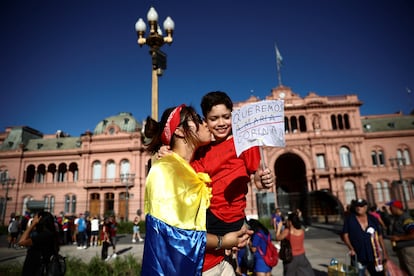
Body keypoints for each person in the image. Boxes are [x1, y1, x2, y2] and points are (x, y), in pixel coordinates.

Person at [159, 91, 274, 275]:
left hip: (233, 218)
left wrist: (263, 180)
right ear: (205, 120)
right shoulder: (201, 146)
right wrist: (167, 151)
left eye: (226, 117)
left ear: (232, 116)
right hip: (210, 217)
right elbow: (183, 159)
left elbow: (257, 179)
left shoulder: (244, 142)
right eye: (214, 119)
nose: (221, 123)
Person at [141, 104, 252, 275]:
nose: (206, 124)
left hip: (219, 261)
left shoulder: (192, 169)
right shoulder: (164, 170)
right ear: (179, 131)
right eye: (198, 120)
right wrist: (223, 241)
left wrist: (234, 235)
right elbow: (174, 235)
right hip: (196, 269)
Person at [342, 198, 389, 276]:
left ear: (365, 207)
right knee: (358, 274)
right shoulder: (349, 220)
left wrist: (384, 251)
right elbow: (345, 235)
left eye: (361, 206)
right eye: (356, 206)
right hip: (358, 254)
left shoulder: (373, 219)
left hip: (374, 254)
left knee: (378, 274)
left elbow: (379, 236)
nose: (358, 208)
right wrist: (351, 248)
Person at [18, 211, 60, 276]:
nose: (33, 219)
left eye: (35, 217)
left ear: (40, 219)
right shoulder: (51, 234)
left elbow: (21, 242)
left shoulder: (43, 236)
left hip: (35, 269)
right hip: (41, 268)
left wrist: (32, 225)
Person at [387, 199, 414, 276]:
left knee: (411, 270)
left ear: (396, 207)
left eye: (391, 207)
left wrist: (399, 238)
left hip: (408, 250)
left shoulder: (406, 218)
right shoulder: (397, 218)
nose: (389, 209)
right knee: (405, 272)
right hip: (402, 250)